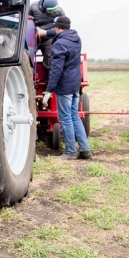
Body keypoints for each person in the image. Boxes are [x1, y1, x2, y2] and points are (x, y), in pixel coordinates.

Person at [42, 16, 92, 160]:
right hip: (75, 83)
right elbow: (59, 34)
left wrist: (49, 90)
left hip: (64, 85)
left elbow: (56, 69)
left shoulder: (60, 44)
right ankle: (85, 149)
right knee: (74, 116)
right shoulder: (75, 38)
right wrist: (45, 32)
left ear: (57, 28)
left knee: (65, 118)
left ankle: (70, 151)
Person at [29, 0, 64, 80]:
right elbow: (27, 19)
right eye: (50, 11)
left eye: (54, 11)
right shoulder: (33, 7)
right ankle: (30, 76)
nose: (52, 13)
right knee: (28, 54)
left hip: (48, 37)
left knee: (50, 54)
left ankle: (49, 79)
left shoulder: (60, 11)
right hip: (34, 36)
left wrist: (46, 33)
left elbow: (62, 26)